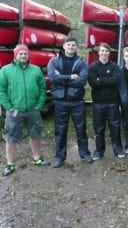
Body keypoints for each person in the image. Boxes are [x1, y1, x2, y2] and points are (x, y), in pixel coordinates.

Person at [0, 45, 50, 176]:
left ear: (28, 55)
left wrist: (39, 105)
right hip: (14, 111)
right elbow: (2, 90)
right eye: (20, 54)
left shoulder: (36, 70)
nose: (23, 56)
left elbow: (42, 89)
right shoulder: (6, 70)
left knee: (36, 134)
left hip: (33, 110)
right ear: (15, 55)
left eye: (25, 54)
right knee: (11, 137)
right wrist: (8, 106)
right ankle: (10, 164)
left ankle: (37, 158)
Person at [47, 37, 93, 168]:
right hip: (60, 102)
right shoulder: (54, 61)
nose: (71, 47)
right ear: (64, 46)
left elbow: (82, 81)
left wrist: (61, 78)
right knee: (60, 130)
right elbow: (52, 78)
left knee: (81, 130)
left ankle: (84, 153)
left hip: (77, 102)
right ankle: (59, 157)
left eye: (73, 45)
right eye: (69, 45)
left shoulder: (81, 63)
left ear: (76, 47)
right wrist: (70, 76)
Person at [88, 43, 125, 160]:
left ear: (109, 53)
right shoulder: (93, 67)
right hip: (98, 103)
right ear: (99, 52)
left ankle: (118, 148)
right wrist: (106, 80)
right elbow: (93, 82)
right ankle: (99, 150)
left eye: (106, 51)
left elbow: (116, 80)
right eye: (102, 51)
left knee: (115, 126)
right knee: (99, 128)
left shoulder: (114, 66)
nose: (104, 53)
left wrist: (100, 80)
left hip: (112, 102)